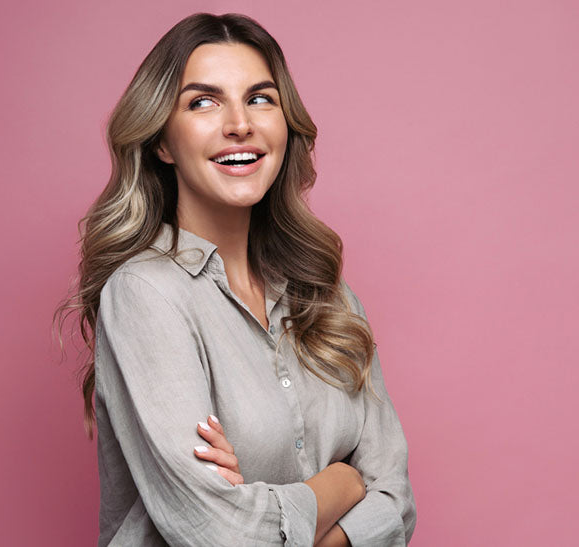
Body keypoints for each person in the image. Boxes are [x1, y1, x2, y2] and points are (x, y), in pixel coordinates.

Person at [55, 12, 417, 547]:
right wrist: (344, 482)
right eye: (202, 102)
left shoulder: (332, 300)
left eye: (260, 98)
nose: (239, 124)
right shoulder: (146, 295)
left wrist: (265, 506)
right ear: (161, 141)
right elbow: (219, 533)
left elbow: (397, 505)